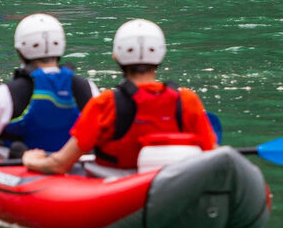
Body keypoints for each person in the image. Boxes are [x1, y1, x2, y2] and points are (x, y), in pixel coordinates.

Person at [22, 18, 217, 174]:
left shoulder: (106, 103)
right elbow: (211, 153)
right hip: (175, 182)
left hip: (117, 185)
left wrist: (30, 160)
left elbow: (59, 165)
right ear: (161, 55)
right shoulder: (187, 99)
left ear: (116, 56)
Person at [0, 13, 99, 153]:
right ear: (61, 46)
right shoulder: (88, 87)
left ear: (20, 51)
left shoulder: (7, 93)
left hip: (19, 163)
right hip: (73, 160)